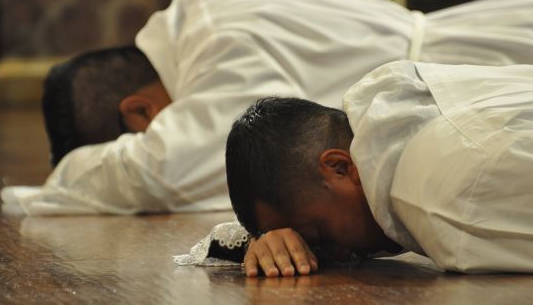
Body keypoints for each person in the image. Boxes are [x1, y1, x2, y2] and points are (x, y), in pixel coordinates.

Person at [1, 0, 533, 215]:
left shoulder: (221, 48)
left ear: (139, 112)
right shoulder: (202, 4)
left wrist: (52, 185)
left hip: (475, 70)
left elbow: (160, 173)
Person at [226, 60, 533, 277]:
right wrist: (266, 242)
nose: (338, 254)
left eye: (321, 237)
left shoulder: (443, 199)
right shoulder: (388, 105)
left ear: (339, 167)